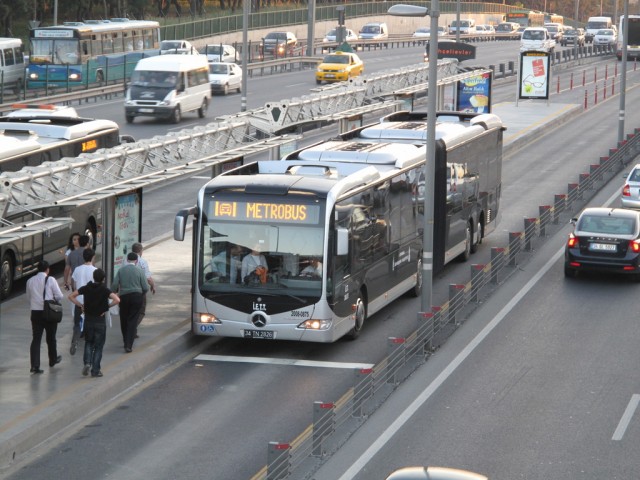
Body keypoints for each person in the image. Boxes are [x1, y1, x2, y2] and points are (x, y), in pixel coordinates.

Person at [69, 269, 120, 378]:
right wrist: (106, 308)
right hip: (100, 322)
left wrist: (80, 305)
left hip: (88, 320)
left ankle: (87, 363)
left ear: (93, 277)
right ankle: (95, 370)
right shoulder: (105, 290)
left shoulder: (86, 288)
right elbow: (117, 300)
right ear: (103, 279)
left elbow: (71, 296)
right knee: (98, 346)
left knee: (88, 342)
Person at [26, 261, 63, 374]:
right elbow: (59, 296)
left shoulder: (30, 281)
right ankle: (53, 359)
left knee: (36, 339)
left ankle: (35, 366)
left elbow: (29, 297)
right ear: (47, 269)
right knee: (51, 337)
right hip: (49, 312)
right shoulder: (51, 280)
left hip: (35, 313)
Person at [111, 252, 149, 353]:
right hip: (136, 297)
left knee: (124, 319)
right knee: (132, 320)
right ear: (136, 261)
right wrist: (141, 294)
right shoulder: (139, 271)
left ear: (127, 260)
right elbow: (145, 287)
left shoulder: (121, 270)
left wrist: (114, 293)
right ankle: (129, 345)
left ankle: (125, 340)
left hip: (124, 297)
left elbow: (114, 284)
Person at [122, 243, 156, 335]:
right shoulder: (142, 262)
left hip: (125, 290)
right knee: (141, 311)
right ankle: (132, 327)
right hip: (138, 291)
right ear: (141, 251)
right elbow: (148, 278)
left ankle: (133, 330)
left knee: (129, 311)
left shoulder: (125, 261)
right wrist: (152, 285)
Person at [69, 248, 97, 355]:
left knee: (77, 323)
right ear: (93, 257)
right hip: (90, 303)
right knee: (90, 324)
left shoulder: (77, 269)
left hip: (79, 301)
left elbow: (74, 284)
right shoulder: (95, 270)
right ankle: (88, 344)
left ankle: (75, 340)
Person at [65, 234, 90, 352]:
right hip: (88, 291)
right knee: (88, 314)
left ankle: (76, 335)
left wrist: (66, 281)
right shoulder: (89, 253)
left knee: (77, 313)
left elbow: (67, 270)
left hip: (77, 289)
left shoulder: (71, 254)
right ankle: (85, 333)